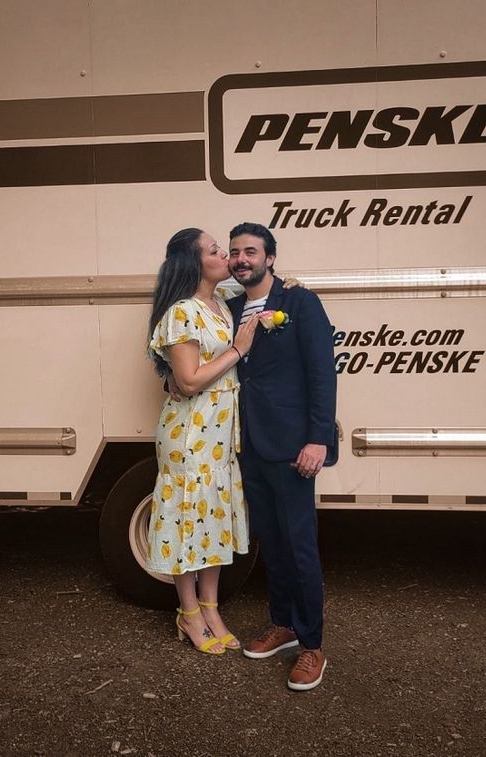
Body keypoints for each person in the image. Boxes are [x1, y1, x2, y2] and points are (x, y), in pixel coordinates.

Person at [226, 222, 337, 690]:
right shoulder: (227, 308)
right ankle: (283, 624)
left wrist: (317, 439)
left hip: (293, 447)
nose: (241, 259)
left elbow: (321, 373)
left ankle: (312, 646)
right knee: (269, 542)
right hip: (248, 444)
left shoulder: (300, 303)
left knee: (299, 546)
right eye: (234, 252)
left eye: (251, 251)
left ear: (270, 258)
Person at [146, 227, 261, 654]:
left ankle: (211, 608)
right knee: (187, 519)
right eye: (215, 250)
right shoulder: (182, 312)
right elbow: (190, 380)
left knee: (212, 521)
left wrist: (294, 285)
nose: (225, 256)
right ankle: (189, 613)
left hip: (220, 435)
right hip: (190, 435)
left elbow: (265, 288)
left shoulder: (220, 305)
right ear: (196, 263)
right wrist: (238, 349)